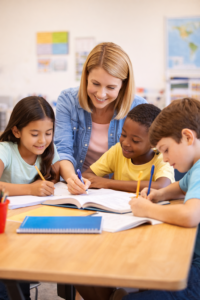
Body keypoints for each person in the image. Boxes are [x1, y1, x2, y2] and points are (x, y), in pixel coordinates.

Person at [75, 97, 200, 300]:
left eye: (166, 150)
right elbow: (180, 187)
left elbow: (190, 215)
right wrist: (159, 194)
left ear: (187, 137)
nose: (165, 158)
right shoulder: (196, 168)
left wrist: (147, 209)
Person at [54, 42, 146, 195]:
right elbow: (63, 150)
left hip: (120, 192)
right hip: (77, 190)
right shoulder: (68, 100)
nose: (101, 94)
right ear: (86, 78)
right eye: (95, 84)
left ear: (123, 85)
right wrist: (73, 180)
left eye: (110, 87)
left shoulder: (139, 107)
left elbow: (148, 158)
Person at [82, 103, 174, 192]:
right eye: (123, 135)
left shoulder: (163, 158)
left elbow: (162, 186)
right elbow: (86, 175)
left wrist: (108, 183)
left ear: (154, 142)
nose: (125, 143)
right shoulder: (118, 150)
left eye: (135, 140)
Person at [0, 96, 60, 196]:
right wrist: (30, 189)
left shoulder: (49, 148)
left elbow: (55, 175)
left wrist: (43, 185)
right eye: (35, 134)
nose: (42, 141)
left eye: (48, 133)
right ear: (16, 131)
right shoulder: (4, 151)